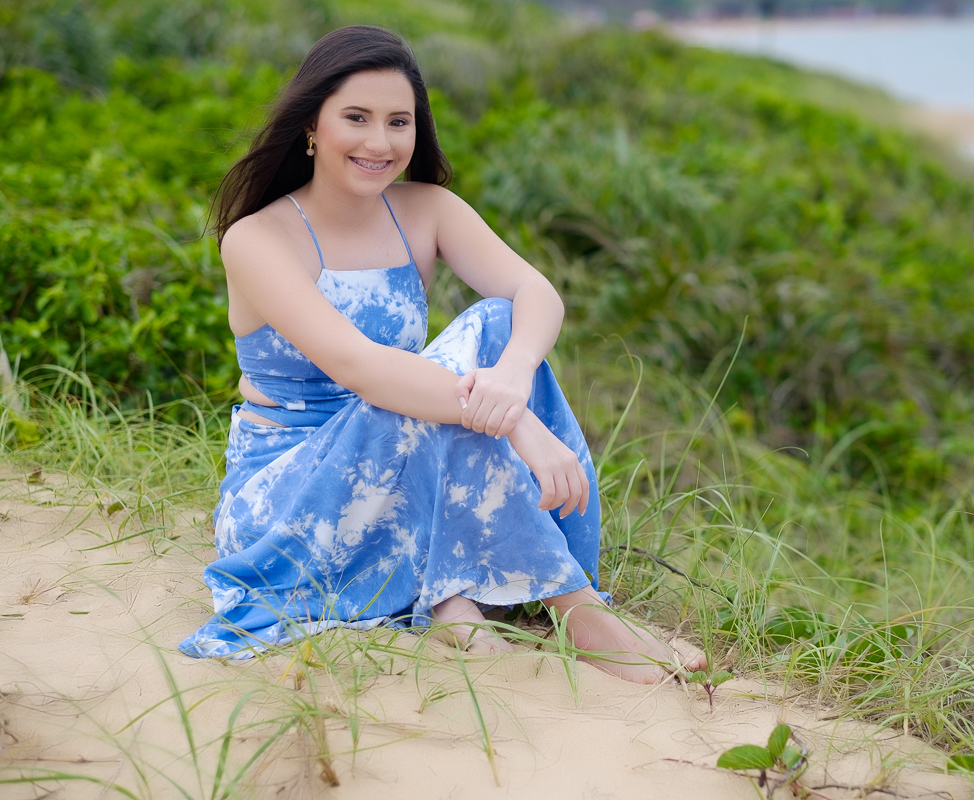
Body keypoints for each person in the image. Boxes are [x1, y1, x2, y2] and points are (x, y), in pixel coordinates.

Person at [178, 25, 705, 684]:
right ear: (312, 124)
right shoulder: (258, 239)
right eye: (357, 118)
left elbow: (534, 293)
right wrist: (515, 420)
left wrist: (510, 380)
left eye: (399, 122)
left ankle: (450, 593)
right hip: (291, 492)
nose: (380, 141)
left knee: (494, 324)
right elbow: (364, 370)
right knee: (423, 387)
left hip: (406, 447)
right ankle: (577, 609)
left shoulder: (424, 209)